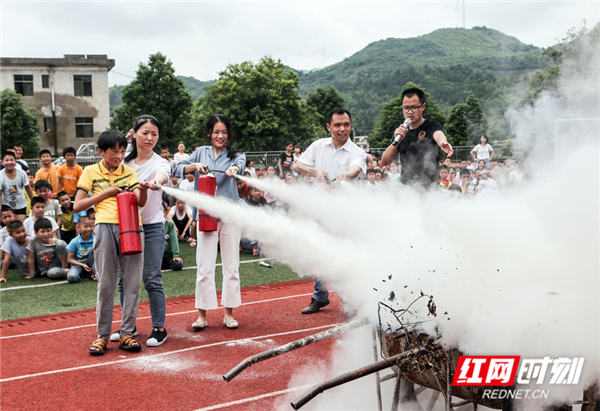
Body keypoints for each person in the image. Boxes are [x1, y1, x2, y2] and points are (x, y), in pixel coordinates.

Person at [75, 130, 148, 355]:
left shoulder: (129, 172)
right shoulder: (90, 171)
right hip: (104, 226)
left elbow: (140, 202)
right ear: (101, 151)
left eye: (122, 151)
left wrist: (143, 190)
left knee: (133, 282)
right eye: (114, 151)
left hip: (133, 228)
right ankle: (102, 336)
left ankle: (127, 333)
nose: (119, 155)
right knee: (106, 283)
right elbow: (78, 205)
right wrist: (106, 194)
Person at [174, 114, 246, 330]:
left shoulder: (235, 155)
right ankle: (202, 315)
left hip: (230, 216)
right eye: (216, 131)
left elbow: (240, 165)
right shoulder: (199, 152)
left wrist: (234, 170)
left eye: (224, 132)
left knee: (231, 266)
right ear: (209, 133)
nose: (220, 136)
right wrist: (193, 166)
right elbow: (176, 169)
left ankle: (229, 313)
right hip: (205, 216)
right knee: (204, 266)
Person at [293, 108, 367, 314]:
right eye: (337, 125)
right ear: (329, 127)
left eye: (346, 125)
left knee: (345, 255)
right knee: (319, 252)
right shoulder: (318, 146)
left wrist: (346, 176)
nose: (343, 129)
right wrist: (314, 170)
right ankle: (320, 297)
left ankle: (350, 302)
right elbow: (297, 166)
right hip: (320, 211)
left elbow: (356, 168)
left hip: (346, 214)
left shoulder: (357, 152)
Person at [115, 115, 170, 347]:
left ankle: (159, 327)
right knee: (123, 280)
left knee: (151, 278)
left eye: (154, 134)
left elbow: (163, 174)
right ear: (134, 133)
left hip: (152, 226)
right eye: (145, 132)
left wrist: (155, 182)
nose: (149, 138)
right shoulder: (123, 163)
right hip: (127, 226)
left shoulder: (160, 162)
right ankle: (129, 327)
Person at [382, 88, 453, 188]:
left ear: (423, 107)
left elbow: (438, 134)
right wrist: (396, 140)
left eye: (414, 107)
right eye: (406, 108)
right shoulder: (400, 132)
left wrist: (442, 142)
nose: (410, 112)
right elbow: (385, 161)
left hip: (430, 189)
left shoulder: (431, 125)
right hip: (407, 189)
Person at [1, 151, 34, 222]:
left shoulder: (22, 173)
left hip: (20, 204)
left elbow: (28, 187)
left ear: (15, 162)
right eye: (7, 160)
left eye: (11, 160)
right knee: (8, 227)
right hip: (6, 204)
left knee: (19, 225)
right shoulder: (1, 176)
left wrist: (33, 201)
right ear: (2, 162)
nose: (9, 162)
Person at [66, 216, 95, 283]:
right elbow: (69, 259)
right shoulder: (74, 241)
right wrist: (82, 265)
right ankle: (85, 274)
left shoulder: (96, 239)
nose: (88, 229)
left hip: (92, 264)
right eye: (85, 226)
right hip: (79, 265)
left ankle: (93, 272)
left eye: (91, 226)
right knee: (71, 278)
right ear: (78, 227)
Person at [162, 204, 183, 272]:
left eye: (162, 212)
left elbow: (174, 240)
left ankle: (165, 264)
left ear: (166, 213)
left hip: (168, 255)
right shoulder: (151, 226)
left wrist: (176, 255)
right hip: (157, 256)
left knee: (178, 265)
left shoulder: (170, 224)